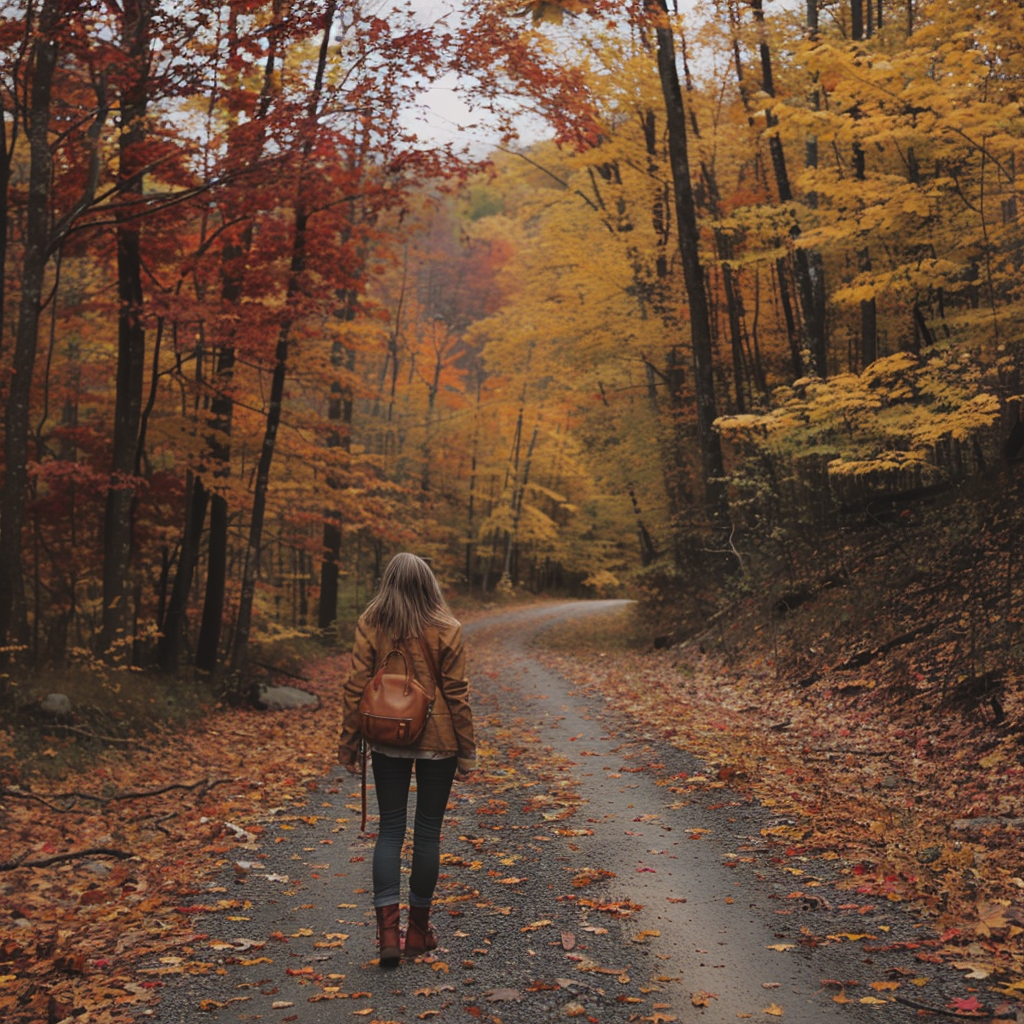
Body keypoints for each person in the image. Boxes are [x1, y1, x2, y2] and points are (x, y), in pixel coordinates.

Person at [337, 553, 477, 966]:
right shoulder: (447, 627)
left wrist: (348, 743)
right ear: (429, 583)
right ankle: (417, 932)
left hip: (386, 737)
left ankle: (387, 937)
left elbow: (355, 685)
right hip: (440, 742)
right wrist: (467, 751)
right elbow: (457, 695)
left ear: (389, 582)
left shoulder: (372, 623)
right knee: (428, 833)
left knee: (390, 830)